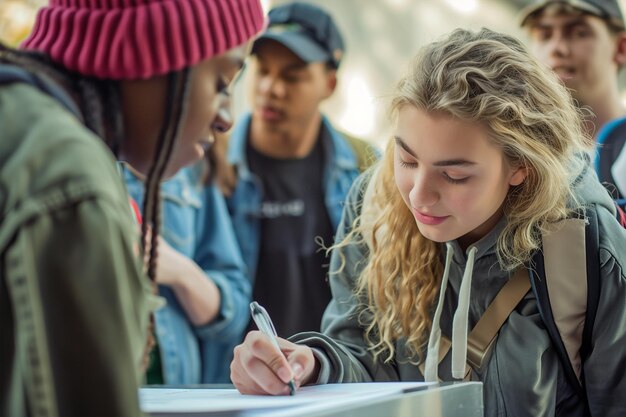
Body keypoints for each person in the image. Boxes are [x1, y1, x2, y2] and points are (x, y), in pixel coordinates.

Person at [230, 28, 626, 417]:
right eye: (407, 160)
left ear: (520, 167)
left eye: (454, 175)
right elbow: (364, 361)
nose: (418, 195)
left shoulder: (586, 242)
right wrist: (311, 365)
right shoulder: (375, 208)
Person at [0, 0, 264, 415]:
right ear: (150, 53)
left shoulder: (23, 122)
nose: (227, 117)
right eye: (220, 82)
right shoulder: (69, 178)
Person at [226, 2, 379, 337]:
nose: (271, 88)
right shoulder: (210, 165)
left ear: (329, 84)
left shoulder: (366, 166)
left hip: (333, 375)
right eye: (262, 70)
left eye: (292, 75)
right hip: (231, 381)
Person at [123, 150, 249, 384]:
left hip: (176, 389)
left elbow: (234, 311)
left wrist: (180, 271)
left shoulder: (191, 163)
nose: (223, 122)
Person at [521, 0, 626, 203]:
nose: (556, 48)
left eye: (578, 32)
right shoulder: (515, 154)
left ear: (621, 48)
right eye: (544, 34)